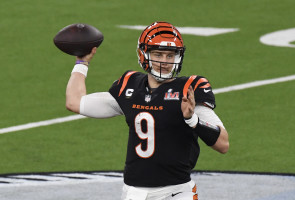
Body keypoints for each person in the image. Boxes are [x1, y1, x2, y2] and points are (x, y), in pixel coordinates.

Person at [66, 21, 229, 200]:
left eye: (170, 55)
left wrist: (192, 120)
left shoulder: (189, 89)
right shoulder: (129, 86)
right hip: (134, 192)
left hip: (177, 191)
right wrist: (81, 62)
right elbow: (75, 102)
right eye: (158, 54)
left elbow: (223, 144)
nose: (164, 61)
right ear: (143, 54)